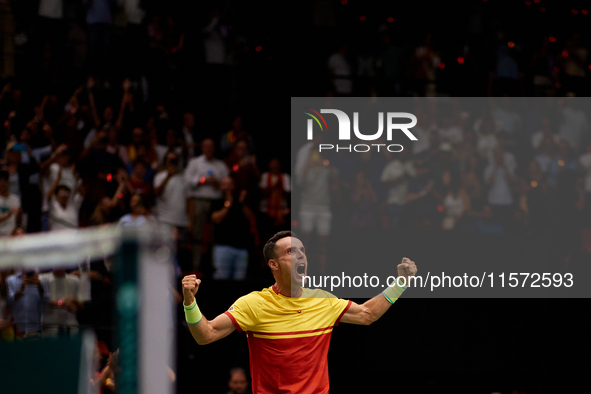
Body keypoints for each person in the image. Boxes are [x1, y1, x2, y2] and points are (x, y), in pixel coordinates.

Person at [181, 231, 417, 393]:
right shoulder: (253, 304)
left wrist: (401, 283)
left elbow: (367, 314)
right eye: (291, 252)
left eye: (302, 251)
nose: (301, 255)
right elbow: (206, 334)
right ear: (273, 264)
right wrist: (190, 302)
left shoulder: (323, 301)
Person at [184, 138, 229, 271]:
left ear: (214, 149)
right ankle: (196, 266)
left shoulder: (220, 165)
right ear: (202, 148)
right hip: (199, 200)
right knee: (197, 233)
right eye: (206, 147)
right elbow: (187, 181)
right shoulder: (195, 163)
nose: (209, 149)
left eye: (211, 147)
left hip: (216, 202)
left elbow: (227, 183)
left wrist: (217, 183)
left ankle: (213, 266)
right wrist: (203, 180)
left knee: (216, 235)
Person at [210, 177, 255, 281]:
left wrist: (241, 203)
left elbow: (251, 218)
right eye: (224, 184)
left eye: (229, 184)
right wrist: (228, 204)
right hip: (223, 247)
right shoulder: (217, 202)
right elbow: (216, 219)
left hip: (241, 249)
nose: (227, 187)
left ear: (234, 186)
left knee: (240, 281)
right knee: (221, 279)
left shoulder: (241, 203)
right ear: (220, 186)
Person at [0, 170, 22, 237]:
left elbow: (18, 222)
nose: (3, 183)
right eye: (0, 181)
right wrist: (8, 215)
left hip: (12, 235)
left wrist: (20, 214)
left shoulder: (15, 199)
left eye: (5, 180)